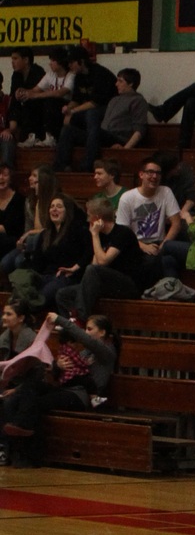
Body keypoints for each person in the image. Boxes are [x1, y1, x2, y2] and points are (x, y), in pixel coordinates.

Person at [0, 309, 117, 467]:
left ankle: (30, 452)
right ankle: (13, 445)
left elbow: (85, 341)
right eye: (85, 329)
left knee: (35, 403)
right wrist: (58, 366)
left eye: (90, 329)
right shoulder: (84, 352)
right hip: (66, 389)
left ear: (102, 332)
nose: (86, 332)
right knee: (23, 393)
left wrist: (59, 320)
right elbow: (61, 375)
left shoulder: (107, 352)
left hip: (81, 395)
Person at [56, 196, 148, 319]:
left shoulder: (122, 233)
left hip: (129, 284)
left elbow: (103, 262)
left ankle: (81, 318)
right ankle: (70, 324)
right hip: (107, 283)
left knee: (92, 270)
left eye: (89, 216)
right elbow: (95, 265)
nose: (87, 220)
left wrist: (94, 235)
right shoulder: (101, 236)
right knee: (63, 294)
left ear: (97, 218)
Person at [11, 193, 90, 308]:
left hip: (67, 277)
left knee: (42, 296)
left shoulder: (78, 230)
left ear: (67, 211)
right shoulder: (45, 234)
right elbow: (37, 263)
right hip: (46, 276)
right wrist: (25, 254)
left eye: (59, 206)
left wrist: (75, 267)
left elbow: (88, 252)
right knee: (20, 293)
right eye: (52, 206)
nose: (54, 209)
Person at [116, 159, 186, 280]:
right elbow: (122, 233)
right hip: (136, 244)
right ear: (141, 174)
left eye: (158, 173)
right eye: (150, 172)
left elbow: (176, 223)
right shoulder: (127, 198)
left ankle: (172, 289)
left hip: (159, 243)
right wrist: (143, 247)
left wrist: (164, 245)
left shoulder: (165, 191)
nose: (154, 176)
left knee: (169, 261)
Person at [54, 45, 119, 171]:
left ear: (81, 61)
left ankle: (90, 161)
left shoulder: (100, 74)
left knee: (91, 114)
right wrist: (68, 109)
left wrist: (72, 111)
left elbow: (96, 102)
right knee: (67, 129)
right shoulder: (78, 77)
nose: (69, 66)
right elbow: (76, 99)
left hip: (107, 112)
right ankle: (61, 165)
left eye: (72, 62)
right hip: (90, 116)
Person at [13, 47, 72, 142]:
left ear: (61, 62)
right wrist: (23, 92)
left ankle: (51, 137)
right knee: (30, 101)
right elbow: (35, 89)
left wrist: (35, 95)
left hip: (66, 105)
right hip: (54, 105)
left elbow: (59, 93)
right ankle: (31, 136)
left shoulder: (71, 75)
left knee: (50, 102)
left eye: (53, 61)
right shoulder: (50, 74)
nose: (50, 63)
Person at [99, 68, 153, 155]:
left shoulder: (137, 100)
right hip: (104, 135)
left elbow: (139, 129)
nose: (116, 84)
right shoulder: (114, 100)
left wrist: (125, 150)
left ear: (131, 83)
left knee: (94, 126)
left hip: (120, 138)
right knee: (75, 131)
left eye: (120, 81)